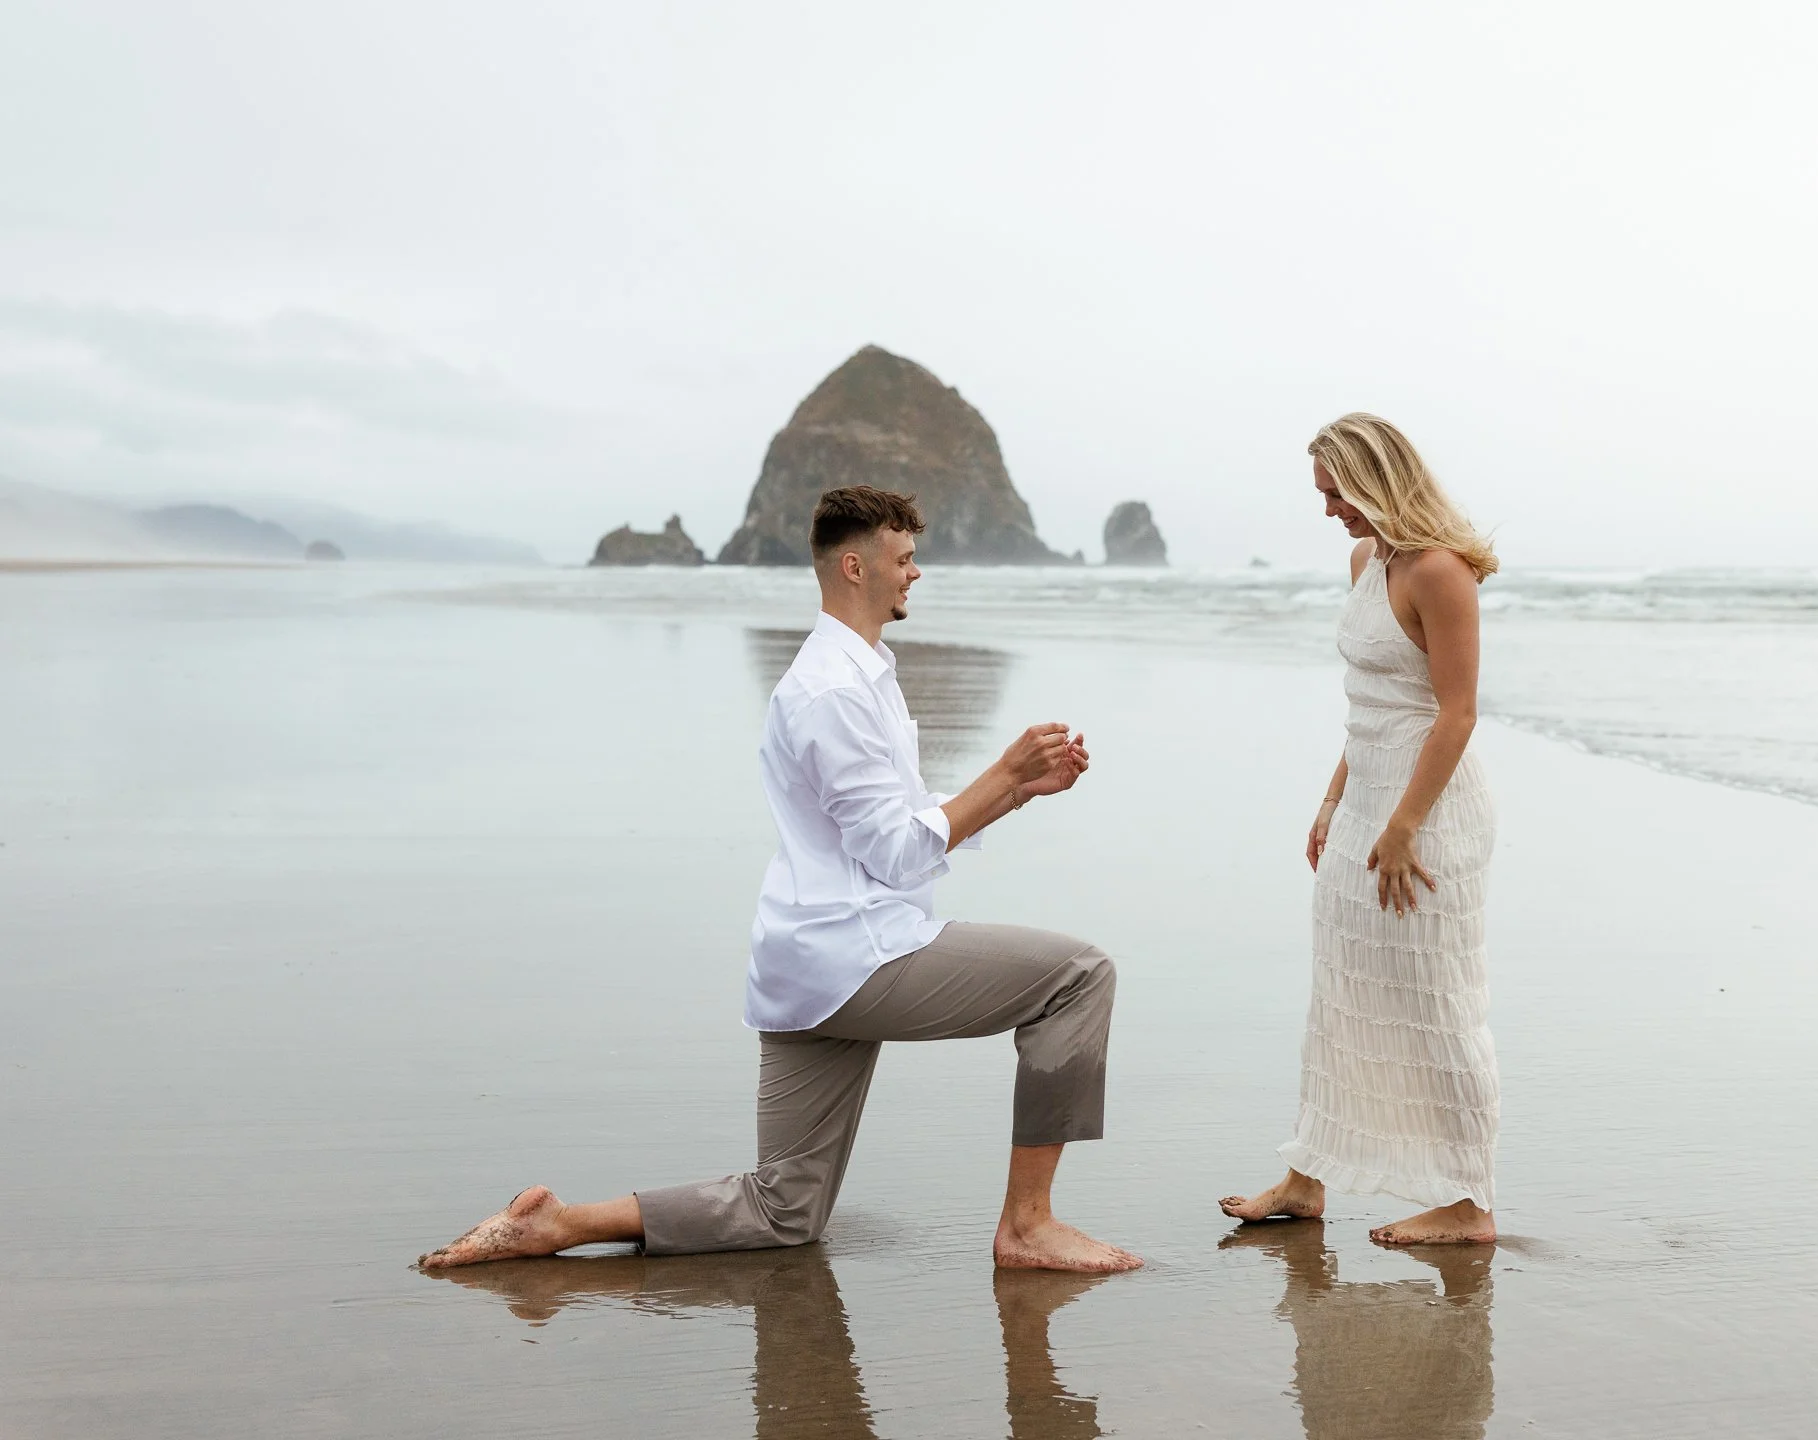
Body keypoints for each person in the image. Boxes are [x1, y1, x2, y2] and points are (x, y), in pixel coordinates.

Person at [419, 485, 1141, 1274]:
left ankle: (555, 1225)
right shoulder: (831, 690)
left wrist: (1015, 791)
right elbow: (896, 855)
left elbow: (896, 821)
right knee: (1078, 977)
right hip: (863, 955)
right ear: (856, 566)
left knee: (785, 1208)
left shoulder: (856, 673)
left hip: (810, 964)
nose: (916, 574)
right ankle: (1029, 1226)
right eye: (904, 559)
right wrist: (1002, 769)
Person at [1220, 413, 1501, 1246]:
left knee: (1439, 999)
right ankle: (1307, 1181)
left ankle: (1470, 1205)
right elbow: (1370, 706)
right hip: (1367, 797)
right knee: (1339, 990)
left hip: (1432, 809)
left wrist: (1406, 824)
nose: (1331, 510)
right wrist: (1332, 800)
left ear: (1377, 479)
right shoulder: (1365, 561)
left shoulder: (1441, 572)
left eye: (1337, 492)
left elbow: (1456, 713)